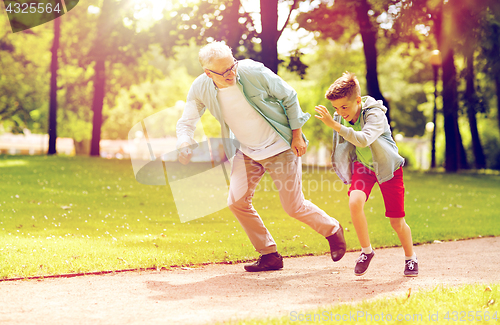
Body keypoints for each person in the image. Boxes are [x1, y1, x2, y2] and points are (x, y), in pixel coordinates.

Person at [176, 41, 346, 272]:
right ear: (208, 73)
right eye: (224, 71)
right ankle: (270, 255)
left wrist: (297, 135)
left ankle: (332, 230)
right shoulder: (200, 87)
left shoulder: (252, 71)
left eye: (232, 66)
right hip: (247, 151)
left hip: (280, 147)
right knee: (236, 202)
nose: (231, 73)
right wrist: (184, 142)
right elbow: (187, 121)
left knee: (293, 207)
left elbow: (289, 96)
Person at [314, 72, 418, 277]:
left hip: (388, 168)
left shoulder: (374, 114)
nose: (340, 113)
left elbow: (363, 140)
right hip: (364, 166)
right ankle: (366, 252)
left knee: (397, 222)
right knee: (354, 202)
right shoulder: (340, 116)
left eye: (345, 107)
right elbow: (344, 145)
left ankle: (410, 258)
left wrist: (336, 125)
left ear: (358, 100)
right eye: (336, 108)